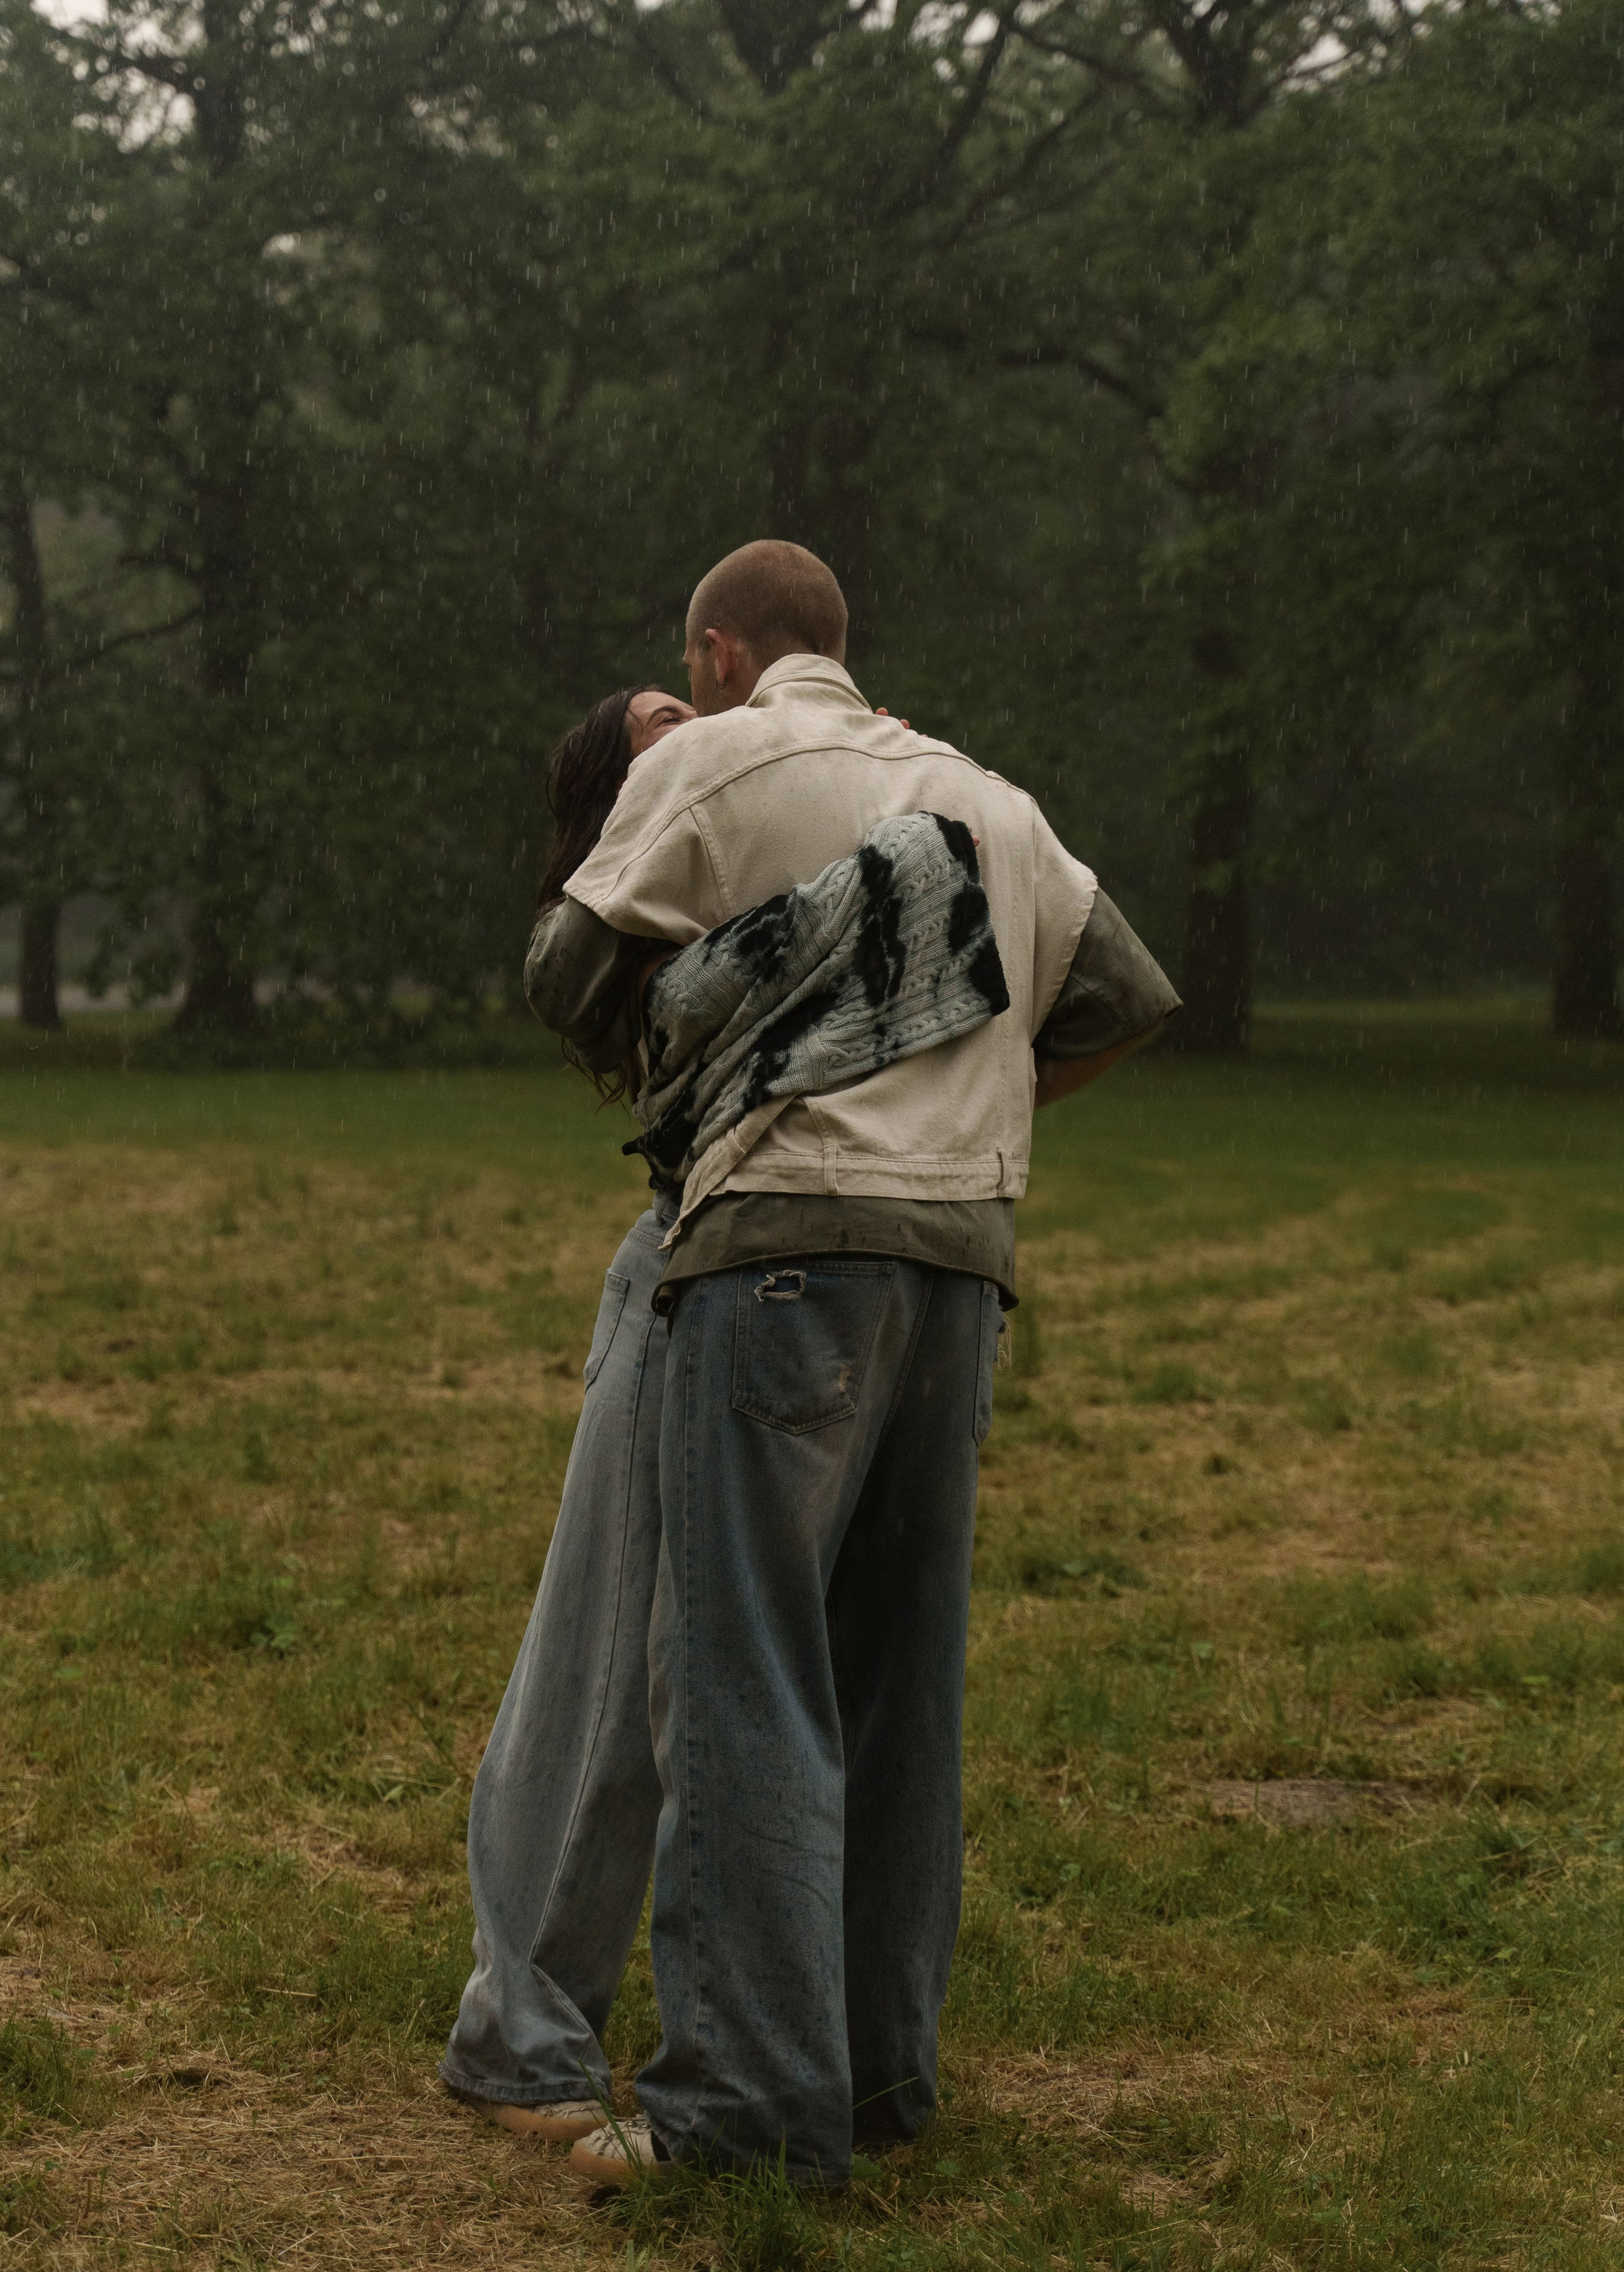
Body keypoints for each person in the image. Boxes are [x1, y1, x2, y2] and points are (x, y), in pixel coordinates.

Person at [525, 541, 1181, 2190]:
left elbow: (566, 976)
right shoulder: (982, 796)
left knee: (744, 1671)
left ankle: (740, 2110)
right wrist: (962, 1088)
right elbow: (1115, 996)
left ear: (721, 652)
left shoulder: (709, 759)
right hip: (960, 1261)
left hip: (776, 1256)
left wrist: (745, 1038)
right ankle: (879, 2077)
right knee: (898, 1683)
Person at [437, 681, 695, 2140]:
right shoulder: (629, 902)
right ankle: (519, 2031)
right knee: (601, 1661)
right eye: (655, 717)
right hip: (680, 1276)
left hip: (794, 1284)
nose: (694, 718)